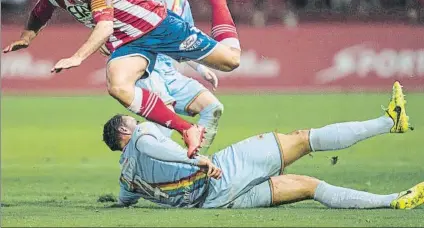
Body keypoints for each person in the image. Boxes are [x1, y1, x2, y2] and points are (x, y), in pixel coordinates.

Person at [2, 0, 245, 157]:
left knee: (231, 61)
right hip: (130, 45)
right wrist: (26, 38)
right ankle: (187, 129)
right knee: (117, 85)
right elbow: (38, 14)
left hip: (159, 27)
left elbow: (105, 26)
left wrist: (77, 57)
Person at [103, 81, 422, 210]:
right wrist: (197, 161)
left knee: (310, 186)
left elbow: (124, 200)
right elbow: (153, 148)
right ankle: (389, 122)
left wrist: (115, 203)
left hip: (218, 203)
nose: (137, 118)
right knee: (301, 139)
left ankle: (392, 201)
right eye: (129, 118)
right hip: (221, 172)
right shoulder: (141, 136)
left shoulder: (127, 180)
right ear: (124, 130)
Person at [101, 0, 224, 154]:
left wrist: (202, 70)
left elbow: (186, 45)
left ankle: (194, 164)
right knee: (164, 123)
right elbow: (110, 28)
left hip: (170, 73)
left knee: (213, 108)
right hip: (146, 71)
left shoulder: (182, 3)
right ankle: (149, 170)